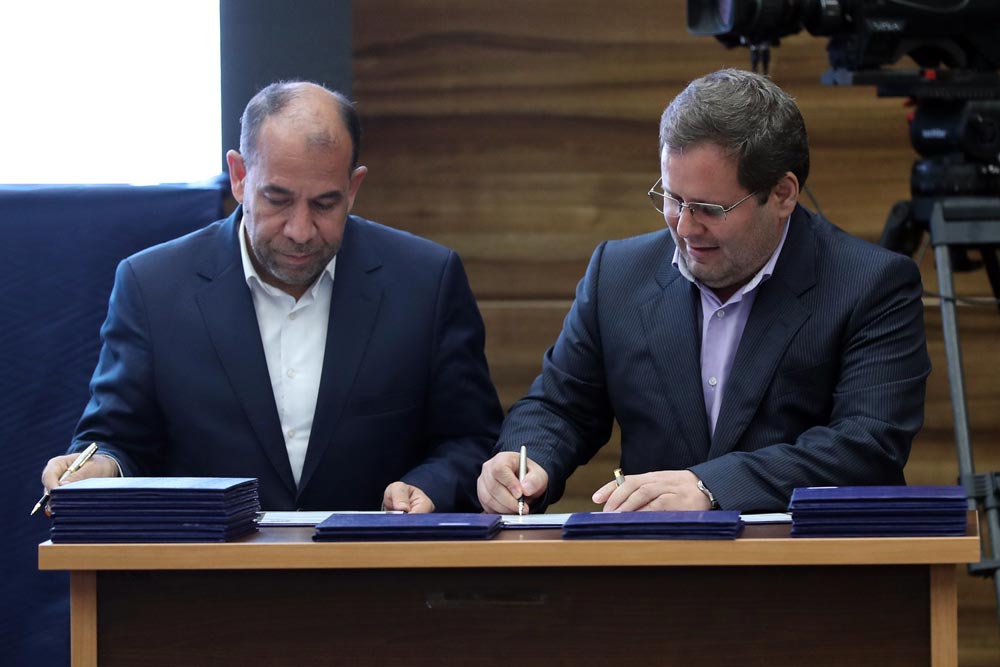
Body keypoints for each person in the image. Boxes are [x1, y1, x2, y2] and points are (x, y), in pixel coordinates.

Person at [477, 68, 931, 514]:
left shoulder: (871, 284)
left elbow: (866, 444)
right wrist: (525, 462)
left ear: (782, 194)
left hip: (803, 556)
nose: (685, 227)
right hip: (655, 557)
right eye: (673, 199)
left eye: (710, 208)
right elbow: (560, 407)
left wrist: (711, 486)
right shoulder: (616, 274)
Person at [40, 81, 503, 512]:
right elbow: (118, 438)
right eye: (278, 199)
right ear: (239, 175)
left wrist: (429, 486)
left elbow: (472, 439)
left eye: (325, 203)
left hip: (376, 564)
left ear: (353, 188)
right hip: (206, 567)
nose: (300, 230)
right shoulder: (152, 286)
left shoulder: (426, 281)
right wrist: (100, 469)